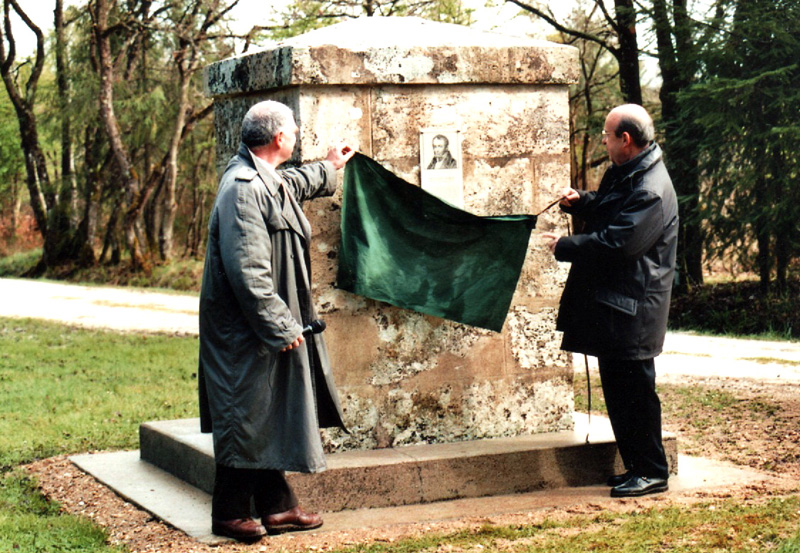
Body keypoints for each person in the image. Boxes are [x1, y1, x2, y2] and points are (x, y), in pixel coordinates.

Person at [197, 100, 355, 541]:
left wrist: (328, 167)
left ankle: (279, 507)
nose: (297, 135)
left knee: (261, 412)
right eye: (293, 130)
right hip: (246, 330)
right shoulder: (242, 188)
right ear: (279, 138)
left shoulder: (262, 177)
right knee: (244, 413)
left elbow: (291, 183)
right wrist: (281, 326)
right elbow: (248, 271)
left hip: (257, 328)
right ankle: (228, 513)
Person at [542, 104, 678, 498]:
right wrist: (582, 201)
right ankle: (637, 467)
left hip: (636, 306)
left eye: (606, 134)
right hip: (620, 305)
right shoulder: (630, 173)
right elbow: (612, 209)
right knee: (620, 392)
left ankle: (652, 472)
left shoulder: (650, 188)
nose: (603, 139)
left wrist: (566, 245)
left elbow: (620, 243)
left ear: (626, 140)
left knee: (636, 393)